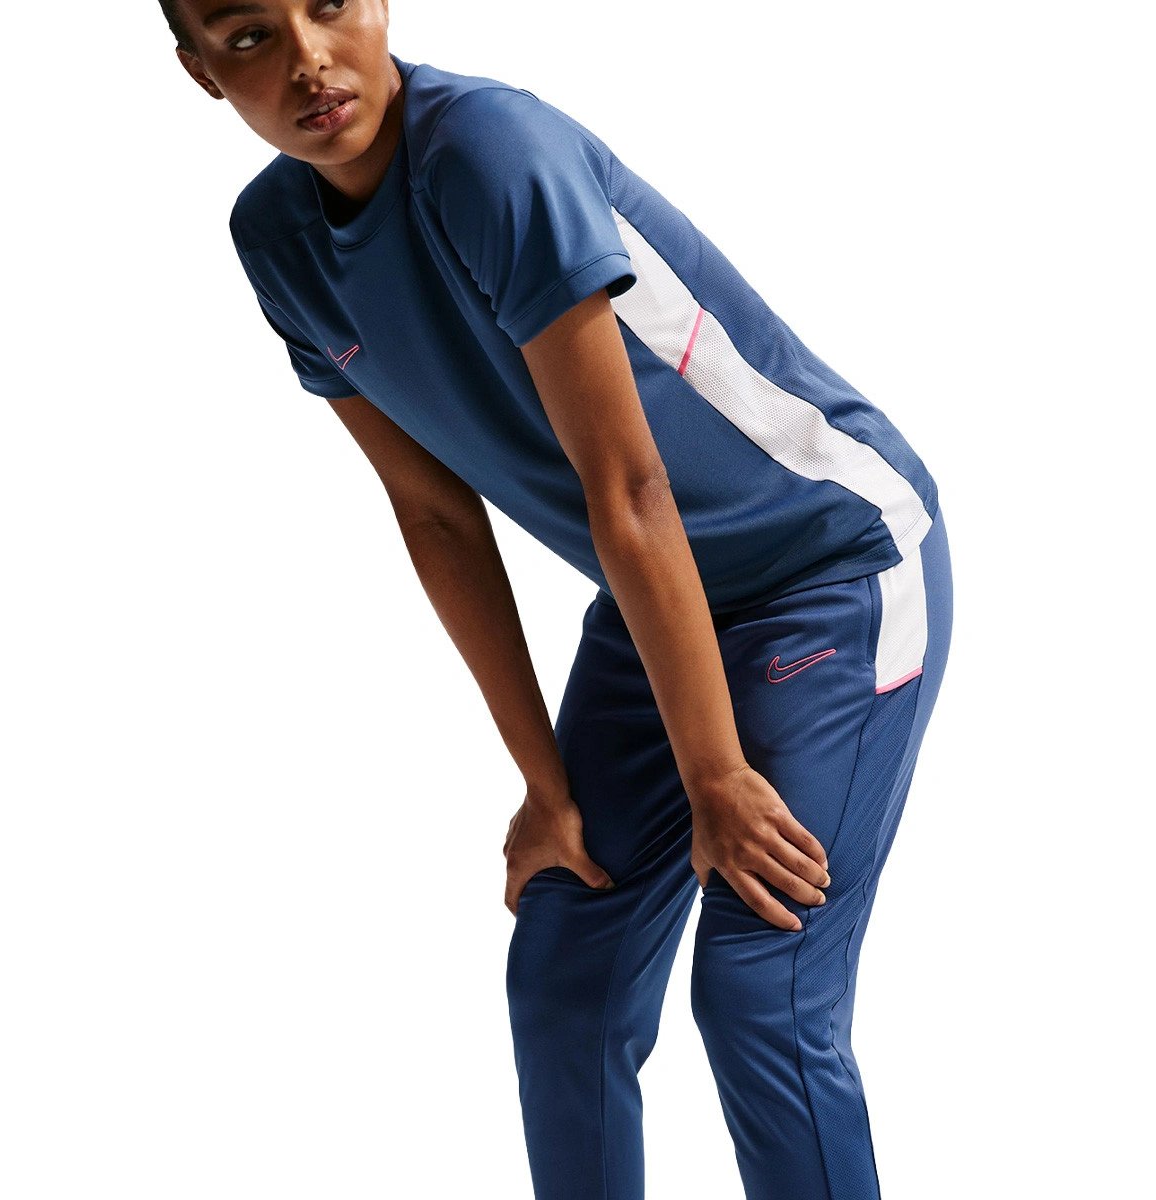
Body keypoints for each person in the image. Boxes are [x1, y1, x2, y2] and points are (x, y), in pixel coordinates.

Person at [160, 2, 954, 1197]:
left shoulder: (489, 153)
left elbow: (628, 488)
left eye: (327, 5)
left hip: (830, 566)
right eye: (247, 38)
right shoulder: (276, 238)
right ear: (200, 73)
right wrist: (546, 784)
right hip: (654, 602)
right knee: (564, 974)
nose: (308, 58)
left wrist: (715, 778)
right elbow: (434, 516)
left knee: (761, 991)